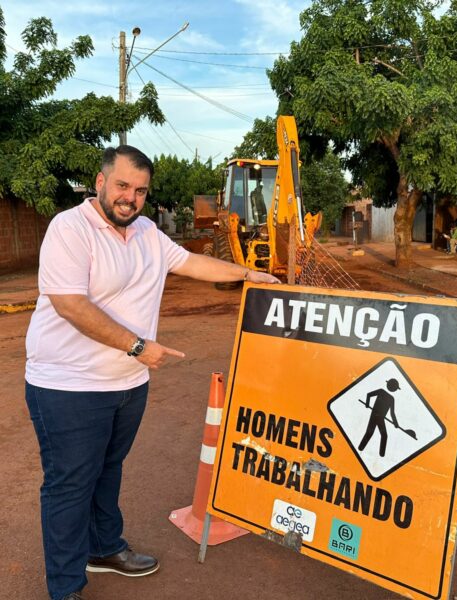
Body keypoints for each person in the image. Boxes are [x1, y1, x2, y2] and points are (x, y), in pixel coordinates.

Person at [25, 145, 280, 600]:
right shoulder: (70, 228)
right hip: (69, 386)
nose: (131, 198)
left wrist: (247, 275)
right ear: (101, 182)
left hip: (127, 384)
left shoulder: (146, 232)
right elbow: (69, 304)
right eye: (123, 186)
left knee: (108, 470)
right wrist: (137, 346)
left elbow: (190, 263)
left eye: (140, 190)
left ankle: (104, 548)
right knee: (70, 484)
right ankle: (65, 587)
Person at [358, 378, 401, 457]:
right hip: (375, 416)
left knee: (382, 435)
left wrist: (396, 423)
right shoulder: (384, 394)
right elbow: (369, 394)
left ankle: (381, 455)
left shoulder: (389, 397)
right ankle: (361, 448)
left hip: (380, 418)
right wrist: (367, 404)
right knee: (370, 433)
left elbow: (392, 413)